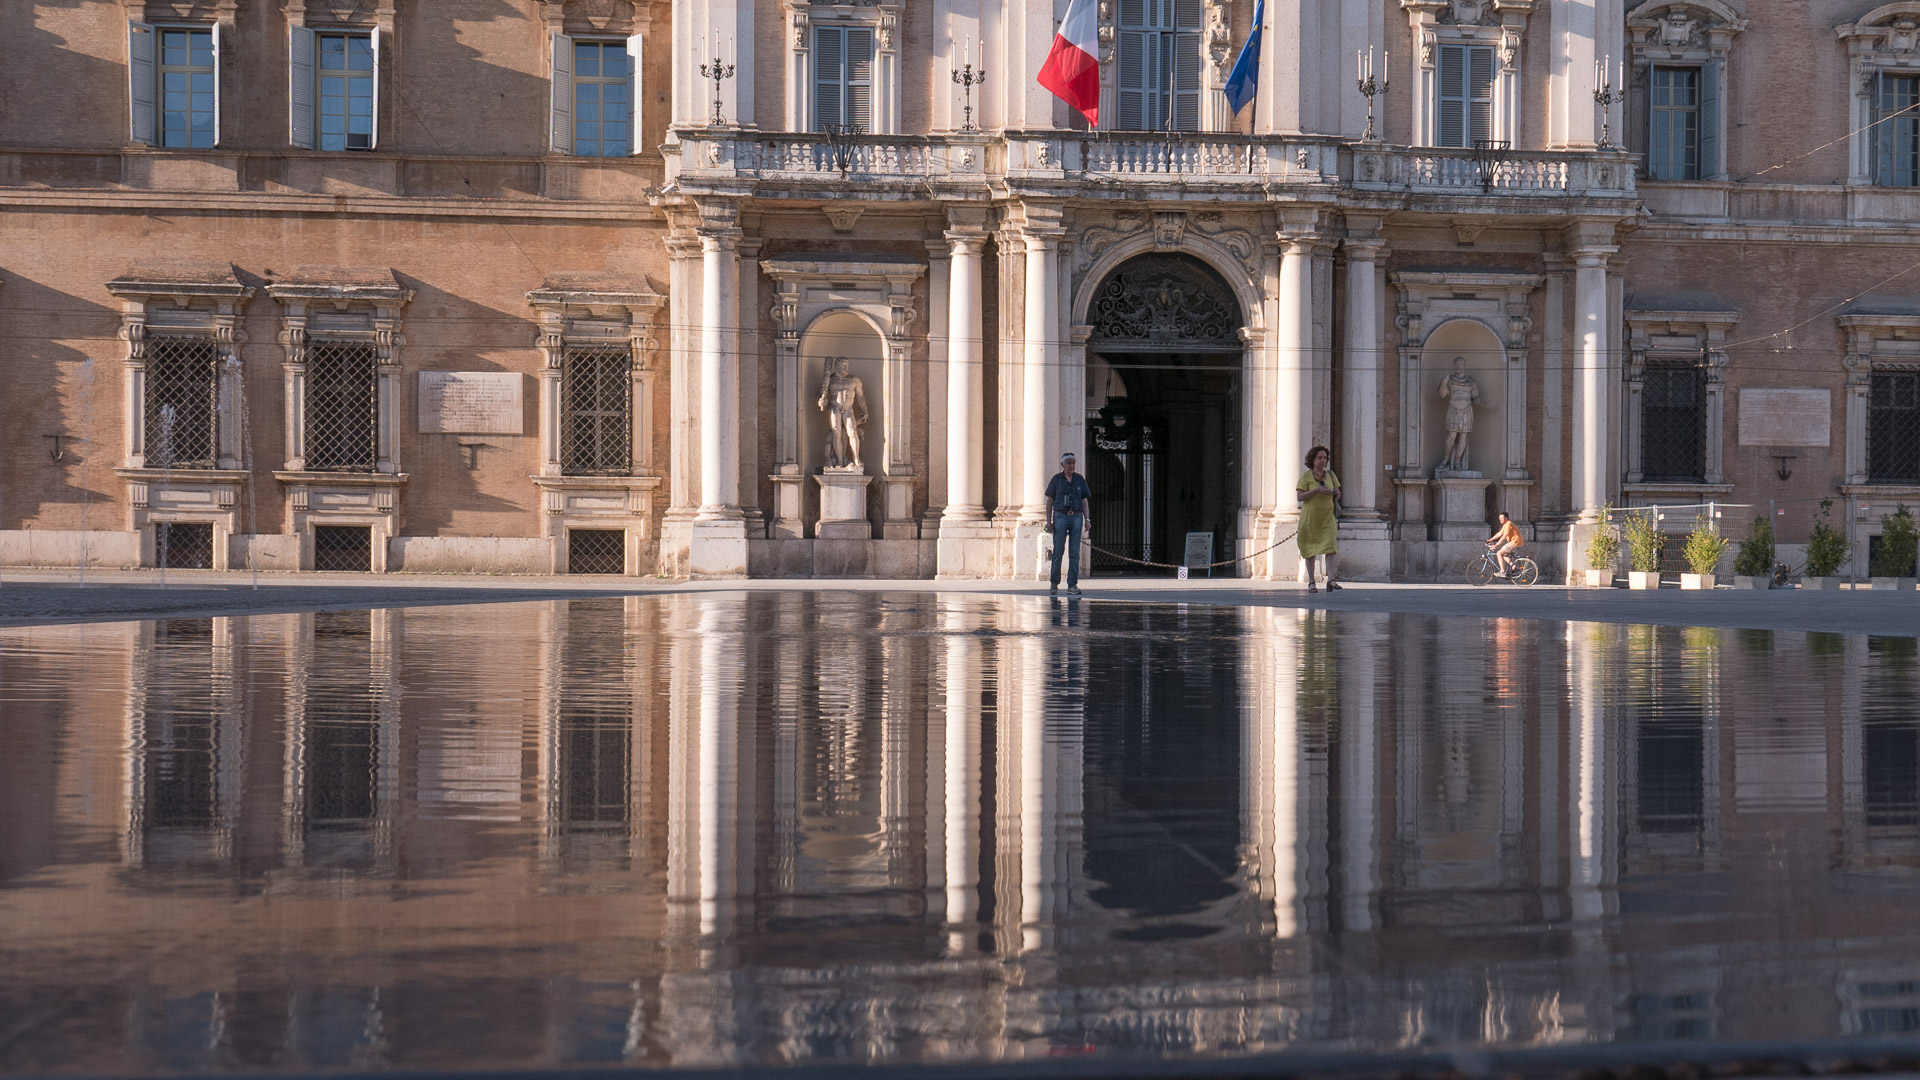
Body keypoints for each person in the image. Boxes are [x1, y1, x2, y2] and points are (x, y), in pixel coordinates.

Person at [1044, 451, 1092, 597]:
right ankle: (1054, 583)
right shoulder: (1056, 480)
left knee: (1074, 552)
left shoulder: (1080, 480)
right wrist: (1048, 521)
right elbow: (1050, 501)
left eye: (1073, 463)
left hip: (1076, 517)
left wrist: (1087, 520)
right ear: (1062, 465)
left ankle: (1072, 584)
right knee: (1058, 551)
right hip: (1060, 516)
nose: (1071, 466)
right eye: (1068, 463)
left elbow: (1084, 500)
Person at [1297, 445, 1341, 593]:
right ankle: (1311, 582)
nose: (1323, 461)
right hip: (1310, 518)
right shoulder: (1306, 477)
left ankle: (1331, 580)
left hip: (1327, 517)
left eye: (1325, 458)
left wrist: (1335, 492)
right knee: (1310, 550)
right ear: (1313, 460)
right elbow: (1300, 497)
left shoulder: (1331, 475)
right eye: (1319, 458)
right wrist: (1315, 490)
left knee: (1331, 547)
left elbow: (1338, 494)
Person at [1439, 357, 1482, 474]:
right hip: (1453, 408)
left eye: (1461, 363)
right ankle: (1446, 458)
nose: (1458, 366)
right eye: (1456, 364)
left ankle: (1457, 462)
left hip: (1467, 409)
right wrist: (1443, 382)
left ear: (1464, 365)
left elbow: (1475, 397)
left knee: (1463, 436)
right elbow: (1443, 394)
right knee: (1452, 435)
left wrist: (1481, 402)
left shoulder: (1471, 381)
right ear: (1454, 365)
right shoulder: (1450, 380)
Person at [1486, 510, 1523, 578]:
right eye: (1499, 518)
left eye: (1502, 518)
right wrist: (1490, 540)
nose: (1500, 520)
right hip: (1514, 542)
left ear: (1506, 518)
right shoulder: (1505, 525)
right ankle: (1514, 567)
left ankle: (1502, 571)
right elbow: (1499, 534)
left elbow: (1504, 536)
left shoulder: (1508, 524)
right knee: (1504, 555)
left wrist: (1496, 545)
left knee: (1499, 553)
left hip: (1515, 542)